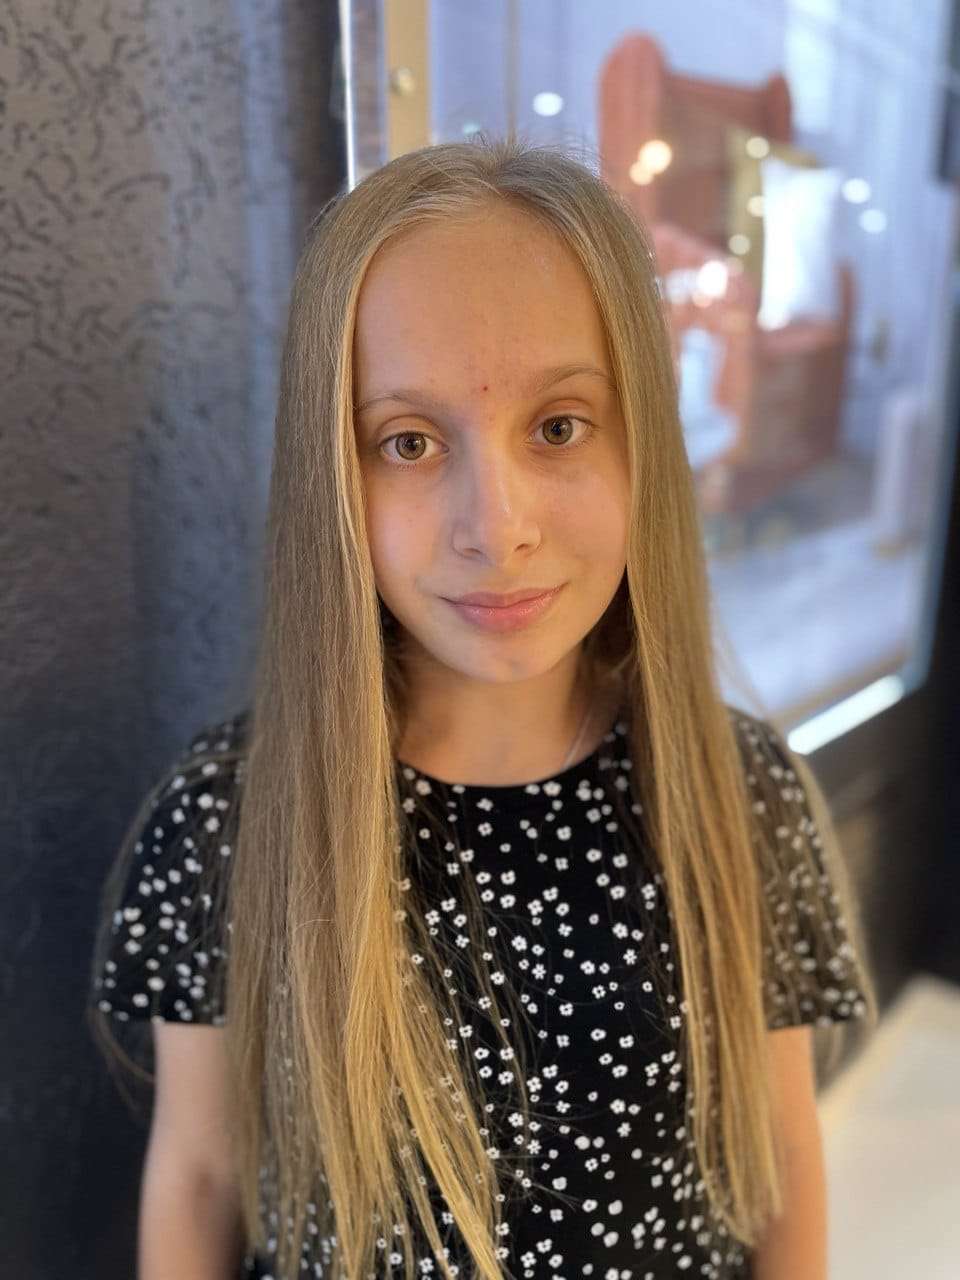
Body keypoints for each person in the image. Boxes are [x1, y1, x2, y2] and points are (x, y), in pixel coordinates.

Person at [87, 133, 878, 1280]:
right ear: (333, 474)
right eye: (409, 441)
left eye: (558, 426)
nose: (496, 527)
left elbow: (783, 1163)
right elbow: (201, 1176)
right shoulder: (229, 816)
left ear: (642, 446)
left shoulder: (740, 794)